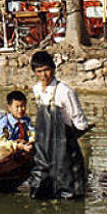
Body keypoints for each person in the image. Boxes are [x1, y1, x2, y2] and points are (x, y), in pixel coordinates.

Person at [27, 51, 91, 200]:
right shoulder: (36, 90)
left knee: (68, 188)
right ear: (34, 72)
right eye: (39, 71)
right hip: (44, 146)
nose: (44, 75)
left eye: (46, 70)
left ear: (54, 68)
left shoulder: (65, 91)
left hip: (64, 145)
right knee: (40, 187)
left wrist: (69, 139)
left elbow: (80, 122)